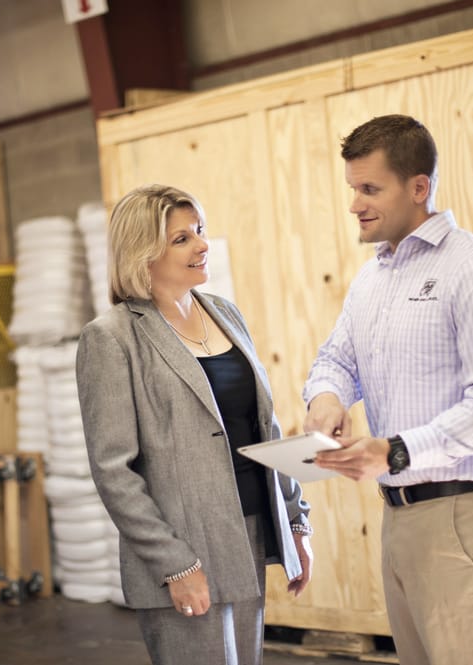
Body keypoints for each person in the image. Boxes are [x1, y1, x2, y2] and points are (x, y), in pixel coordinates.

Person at [303, 114, 473, 665]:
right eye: (353, 188)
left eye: (370, 189)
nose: (354, 204)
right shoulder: (373, 276)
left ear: (419, 187)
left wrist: (395, 451)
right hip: (399, 517)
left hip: (461, 517)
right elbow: (336, 358)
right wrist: (327, 398)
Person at [76, 184, 313, 665]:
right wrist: (175, 564)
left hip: (249, 531)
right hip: (184, 549)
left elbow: (264, 426)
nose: (202, 245)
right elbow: (114, 471)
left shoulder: (224, 314)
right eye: (181, 238)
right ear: (143, 253)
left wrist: (295, 520)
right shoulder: (111, 337)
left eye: (200, 230)